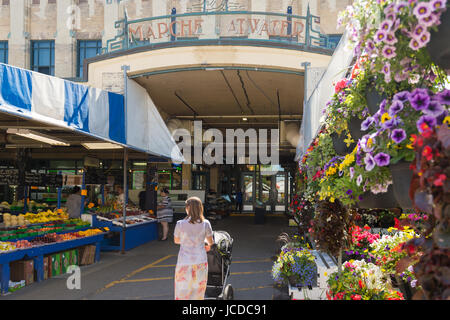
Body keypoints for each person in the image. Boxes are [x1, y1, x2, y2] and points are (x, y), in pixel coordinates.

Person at [173, 196, 214, 300]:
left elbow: (176, 240)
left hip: (184, 261)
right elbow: (210, 242)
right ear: (200, 208)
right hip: (200, 260)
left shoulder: (180, 224)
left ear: (187, 208)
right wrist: (205, 245)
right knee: (198, 290)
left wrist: (187, 241)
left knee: (182, 289)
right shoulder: (206, 223)